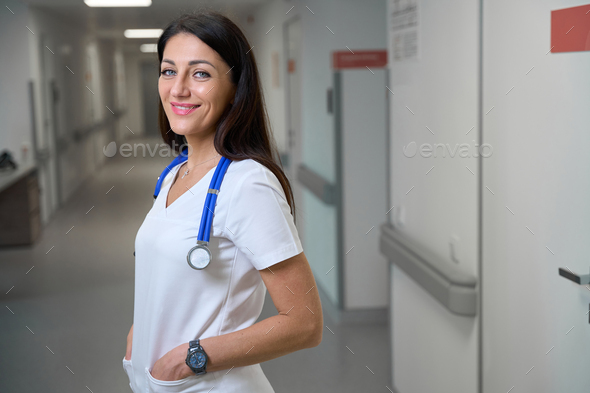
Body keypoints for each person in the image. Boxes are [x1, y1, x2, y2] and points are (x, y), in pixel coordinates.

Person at [121, 10, 323, 393]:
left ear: (235, 88)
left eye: (200, 74)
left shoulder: (247, 183)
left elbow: (305, 322)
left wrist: (191, 358)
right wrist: (139, 338)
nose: (178, 89)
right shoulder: (175, 174)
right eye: (168, 71)